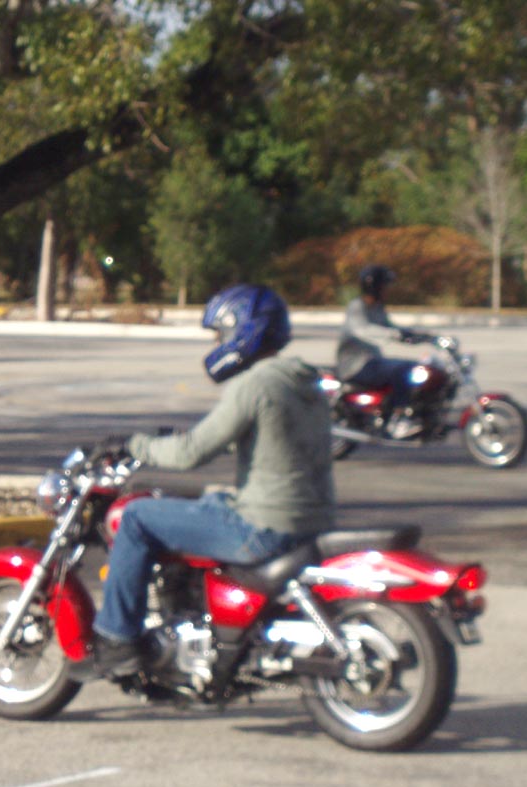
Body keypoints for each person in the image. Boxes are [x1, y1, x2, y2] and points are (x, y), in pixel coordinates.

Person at [90, 284, 336, 675]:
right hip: (312, 521)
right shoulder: (305, 383)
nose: (218, 343)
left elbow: (191, 453)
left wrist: (134, 446)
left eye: (221, 333)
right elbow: (264, 440)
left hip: (264, 527)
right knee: (208, 501)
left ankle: (117, 639)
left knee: (137, 517)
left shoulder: (254, 384)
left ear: (244, 331)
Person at [336, 264, 425, 439]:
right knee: (400, 370)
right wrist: (395, 334)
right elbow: (363, 330)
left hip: (372, 361)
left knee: (415, 367)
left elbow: (389, 327)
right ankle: (399, 418)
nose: (387, 290)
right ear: (375, 287)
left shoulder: (377, 308)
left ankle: (410, 413)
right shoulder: (357, 307)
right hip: (356, 365)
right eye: (385, 286)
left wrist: (418, 336)